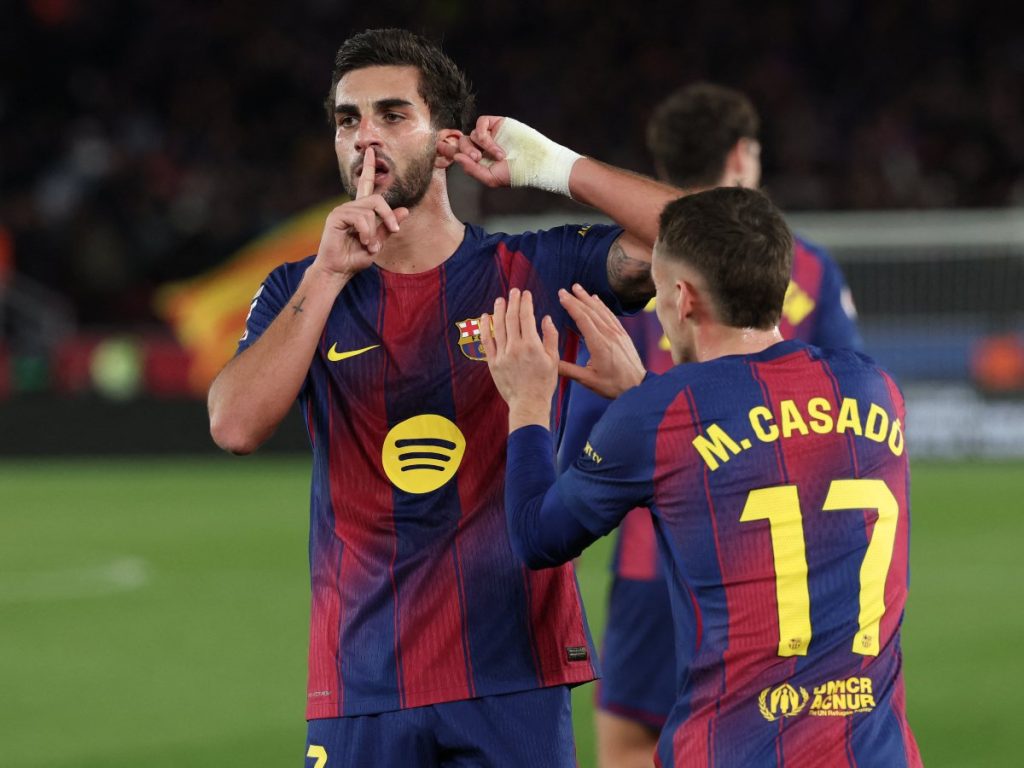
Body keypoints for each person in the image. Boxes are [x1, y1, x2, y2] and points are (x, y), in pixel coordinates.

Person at [206, 27, 682, 768]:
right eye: (347, 119)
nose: (366, 138)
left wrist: (558, 167)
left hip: (514, 673)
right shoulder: (297, 292)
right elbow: (233, 424)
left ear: (447, 142)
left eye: (393, 115)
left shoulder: (535, 265)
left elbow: (703, 241)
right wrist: (327, 275)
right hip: (362, 681)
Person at [482, 186, 921, 767]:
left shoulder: (662, 417)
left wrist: (529, 403)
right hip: (877, 753)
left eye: (659, 292)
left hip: (732, 751)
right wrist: (645, 397)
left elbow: (538, 538)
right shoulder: (875, 389)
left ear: (683, 298)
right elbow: (756, 442)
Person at [557, 82, 864, 768]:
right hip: (792, 555)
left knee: (633, 740)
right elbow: (854, 402)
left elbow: (579, 444)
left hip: (649, 547)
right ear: (742, 154)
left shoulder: (624, 268)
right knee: (806, 728)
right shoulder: (801, 264)